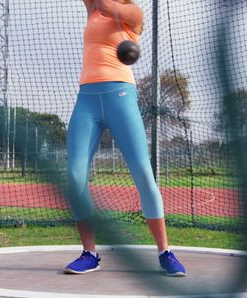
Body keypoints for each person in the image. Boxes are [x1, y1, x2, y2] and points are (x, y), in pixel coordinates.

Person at [64, 0, 186, 276]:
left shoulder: (133, 12)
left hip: (121, 95)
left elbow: (111, 7)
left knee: (143, 173)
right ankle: (89, 254)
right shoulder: (93, 9)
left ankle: (165, 252)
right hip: (87, 99)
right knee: (74, 176)